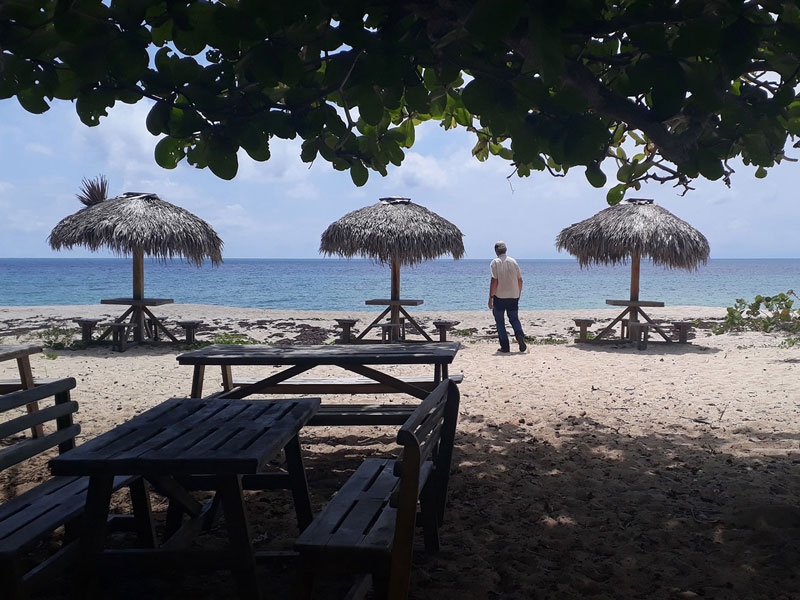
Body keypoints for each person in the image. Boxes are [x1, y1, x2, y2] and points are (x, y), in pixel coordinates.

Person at [488, 241, 527, 353]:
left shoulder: (495, 262)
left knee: (500, 321)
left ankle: (505, 346)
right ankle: (519, 335)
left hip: (500, 296)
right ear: (506, 250)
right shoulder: (513, 261)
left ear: (496, 250)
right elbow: (520, 280)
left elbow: (494, 281)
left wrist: (491, 297)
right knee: (514, 319)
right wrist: (518, 294)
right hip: (513, 295)